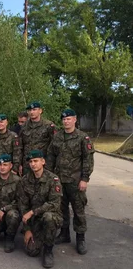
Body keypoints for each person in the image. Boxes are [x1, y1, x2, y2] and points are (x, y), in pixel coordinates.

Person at [46, 109, 94, 255]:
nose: (66, 121)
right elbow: (51, 156)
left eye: (69, 119)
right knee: (61, 209)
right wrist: (49, 176)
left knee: (78, 210)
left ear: (75, 120)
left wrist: (85, 179)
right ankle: (64, 233)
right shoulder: (58, 137)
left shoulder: (82, 138)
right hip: (59, 180)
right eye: (64, 119)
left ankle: (80, 239)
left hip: (75, 180)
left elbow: (88, 159)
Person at [17, 150, 63, 268]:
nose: (33, 164)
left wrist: (33, 212)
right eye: (31, 162)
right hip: (34, 220)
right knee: (31, 251)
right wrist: (27, 229)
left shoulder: (53, 180)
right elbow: (23, 205)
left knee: (48, 218)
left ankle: (48, 251)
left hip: (51, 216)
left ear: (43, 162)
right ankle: (41, 235)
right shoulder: (25, 180)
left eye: (36, 161)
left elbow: (54, 203)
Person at [19, 101, 56, 176]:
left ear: (40, 111)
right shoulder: (24, 126)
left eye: (34, 109)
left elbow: (54, 146)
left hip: (43, 164)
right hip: (27, 164)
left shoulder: (48, 125)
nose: (31, 112)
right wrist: (19, 164)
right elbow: (20, 146)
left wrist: (50, 164)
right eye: (29, 110)